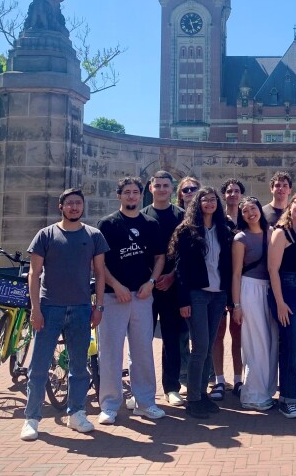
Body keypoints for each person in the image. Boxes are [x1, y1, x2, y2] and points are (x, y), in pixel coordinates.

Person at [20, 188, 108, 441]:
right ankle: (32, 418)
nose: (74, 207)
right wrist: (35, 309)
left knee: (79, 367)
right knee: (38, 366)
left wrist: (98, 306)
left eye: (78, 203)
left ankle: (76, 413)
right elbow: (34, 275)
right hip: (49, 308)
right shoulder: (45, 235)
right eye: (69, 203)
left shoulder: (94, 235)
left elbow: (100, 274)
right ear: (61, 207)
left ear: (83, 207)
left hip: (81, 308)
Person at [96, 177, 167, 424]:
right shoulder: (107, 224)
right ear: (119, 196)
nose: (131, 196)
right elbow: (99, 263)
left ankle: (145, 402)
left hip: (142, 296)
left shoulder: (151, 224)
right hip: (113, 296)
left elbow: (160, 257)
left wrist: (150, 283)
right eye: (126, 192)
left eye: (135, 192)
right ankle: (109, 405)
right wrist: (115, 285)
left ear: (141, 196)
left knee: (143, 352)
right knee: (110, 352)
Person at [171, 187, 233, 419]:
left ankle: (202, 395)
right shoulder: (188, 231)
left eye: (213, 200)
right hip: (197, 294)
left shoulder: (224, 230)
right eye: (204, 200)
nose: (209, 203)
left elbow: (226, 265)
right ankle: (193, 399)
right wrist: (183, 300)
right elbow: (181, 269)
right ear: (198, 204)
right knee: (200, 348)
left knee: (207, 348)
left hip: (218, 295)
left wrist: (230, 298)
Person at [142, 171, 187, 407]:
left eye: (165, 185)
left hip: (171, 287)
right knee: (142, 340)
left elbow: (185, 253)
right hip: (145, 288)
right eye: (157, 185)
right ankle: (143, 389)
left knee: (171, 338)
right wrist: (148, 280)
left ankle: (172, 387)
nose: (161, 189)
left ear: (172, 189)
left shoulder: (181, 216)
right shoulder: (140, 217)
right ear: (150, 188)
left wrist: (171, 276)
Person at [268, 191, 296, 418]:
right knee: (290, 347)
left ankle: (292, 394)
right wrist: (279, 303)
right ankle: (285, 398)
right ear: (290, 205)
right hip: (285, 292)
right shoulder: (280, 232)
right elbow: (273, 270)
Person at [231, 196, 278, 411]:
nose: (251, 213)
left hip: (270, 289)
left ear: (260, 209)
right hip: (250, 290)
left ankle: (266, 390)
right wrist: (237, 305)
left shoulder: (271, 233)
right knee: (255, 343)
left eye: (253, 208)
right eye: (245, 211)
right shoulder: (241, 238)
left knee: (270, 341)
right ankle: (252, 394)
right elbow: (236, 273)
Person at [210, 178, 245, 400]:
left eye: (236, 191)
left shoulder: (248, 217)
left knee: (238, 334)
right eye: (229, 191)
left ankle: (239, 379)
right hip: (219, 283)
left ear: (241, 194)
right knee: (218, 334)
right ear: (224, 195)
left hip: (241, 283)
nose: (233, 194)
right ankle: (219, 380)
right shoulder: (217, 220)